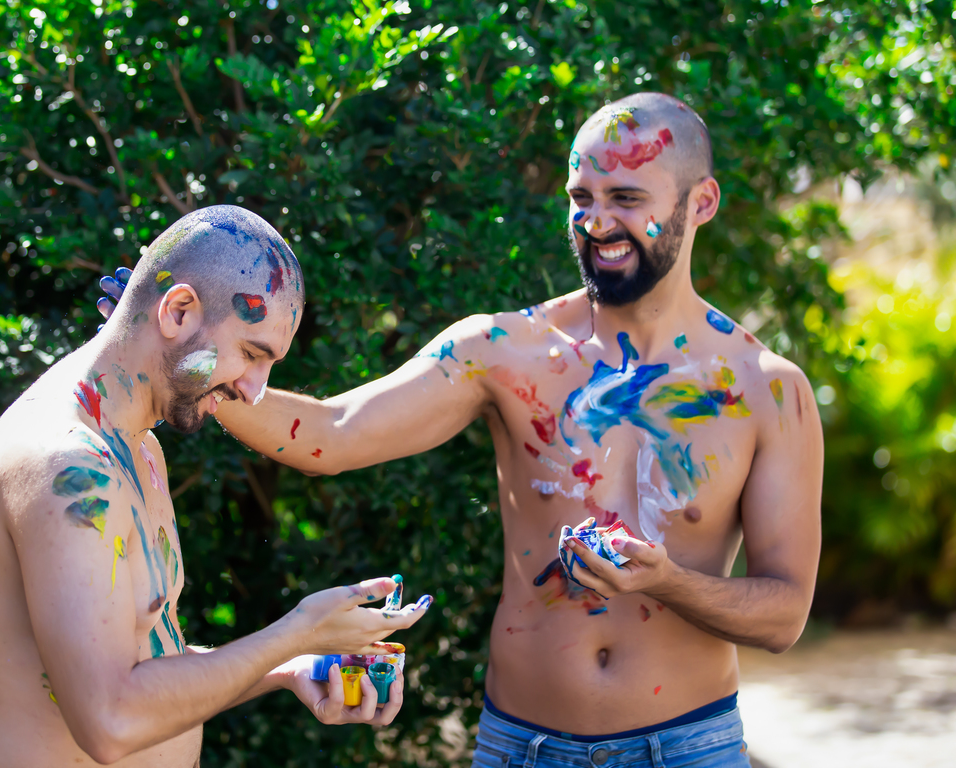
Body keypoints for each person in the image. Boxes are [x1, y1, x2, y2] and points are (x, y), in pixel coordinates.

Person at [100, 93, 824, 767]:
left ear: (702, 203)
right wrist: (188, 363)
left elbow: (784, 615)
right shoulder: (505, 350)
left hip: (690, 748)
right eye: (581, 199)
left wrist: (669, 581)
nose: (597, 223)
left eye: (626, 199)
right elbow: (335, 433)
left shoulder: (767, 391)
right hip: (524, 746)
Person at [0, 205, 433, 768]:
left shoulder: (137, 449)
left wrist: (288, 668)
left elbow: (144, 664)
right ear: (178, 310)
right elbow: (109, 721)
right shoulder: (67, 468)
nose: (255, 391)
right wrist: (297, 632)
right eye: (252, 354)